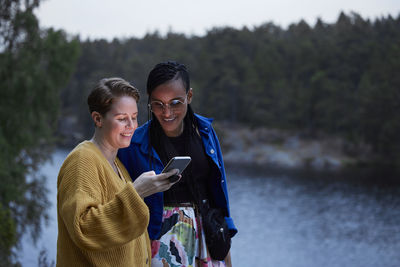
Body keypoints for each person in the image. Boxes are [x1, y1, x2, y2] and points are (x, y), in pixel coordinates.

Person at [118, 61, 237, 267]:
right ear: (149, 101)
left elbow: (219, 196)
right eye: (158, 104)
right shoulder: (133, 144)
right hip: (158, 243)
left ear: (189, 96)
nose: (167, 112)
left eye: (175, 103)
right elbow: (121, 201)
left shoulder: (205, 132)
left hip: (207, 237)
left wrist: (226, 253)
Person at [56, 78, 179, 266]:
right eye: (122, 119)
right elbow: (83, 228)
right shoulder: (82, 160)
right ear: (98, 119)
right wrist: (137, 192)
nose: (131, 126)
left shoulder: (116, 164)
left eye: (134, 117)